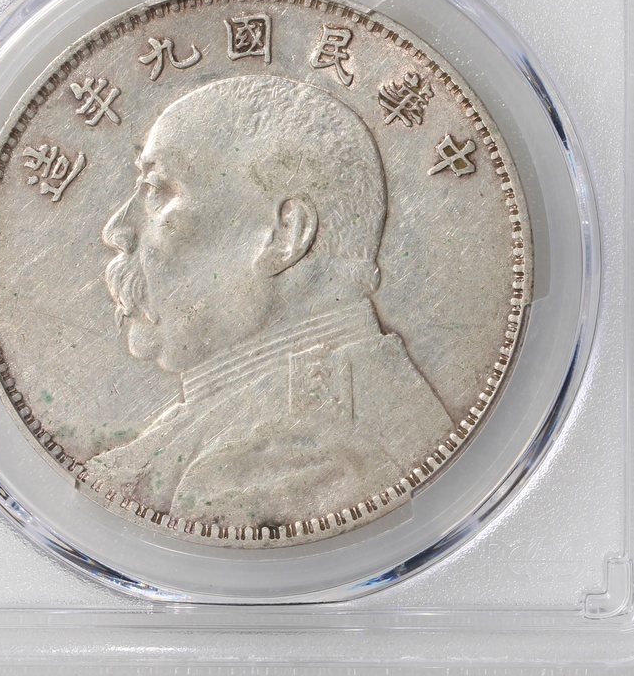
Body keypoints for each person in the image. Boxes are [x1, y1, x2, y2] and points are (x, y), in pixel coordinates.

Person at [83, 74, 454, 531]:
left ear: (285, 237)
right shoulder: (344, 403)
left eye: (158, 190)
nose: (117, 229)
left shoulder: (283, 461)